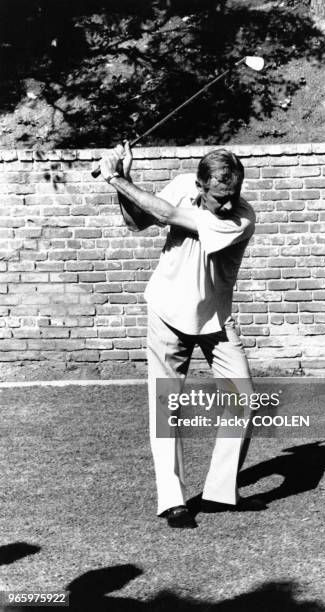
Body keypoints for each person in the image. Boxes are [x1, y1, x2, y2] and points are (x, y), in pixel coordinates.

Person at [99, 142, 267, 528]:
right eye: (219, 195)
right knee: (165, 407)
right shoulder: (180, 184)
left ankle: (220, 494)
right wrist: (123, 181)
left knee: (245, 400)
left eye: (233, 194)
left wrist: (116, 178)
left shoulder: (241, 218)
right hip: (167, 310)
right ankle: (172, 500)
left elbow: (167, 213)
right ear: (199, 184)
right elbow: (138, 220)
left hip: (216, 319)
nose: (227, 203)